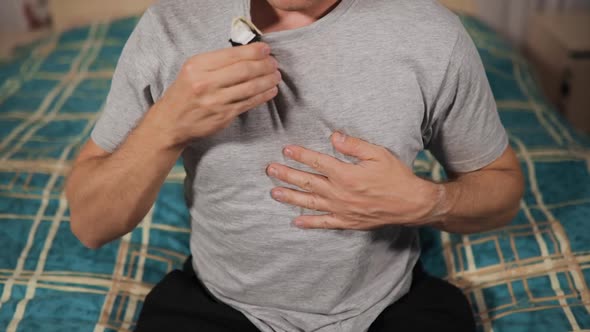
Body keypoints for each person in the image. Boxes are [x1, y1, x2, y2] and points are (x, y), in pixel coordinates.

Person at [65, 0, 525, 331]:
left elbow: (501, 191)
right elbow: (90, 224)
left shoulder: (431, 33)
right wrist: (168, 124)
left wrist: (430, 202)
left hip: (391, 306)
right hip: (216, 305)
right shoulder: (170, 27)